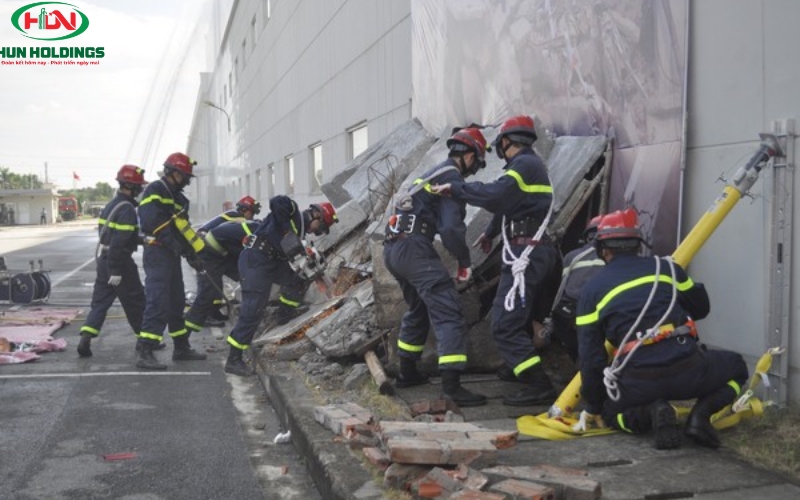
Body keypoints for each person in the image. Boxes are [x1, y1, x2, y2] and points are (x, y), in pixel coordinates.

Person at [576, 208, 749, 449]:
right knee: (737, 368)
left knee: (610, 414)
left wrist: (594, 405)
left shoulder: (591, 291)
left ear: (602, 250)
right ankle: (700, 417)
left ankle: (651, 412)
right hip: (689, 371)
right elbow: (701, 308)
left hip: (639, 382)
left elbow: (590, 358)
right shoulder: (667, 269)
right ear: (639, 244)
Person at [432, 115, 562, 406]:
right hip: (536, 252)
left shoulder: (524, 165)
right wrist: (491, 232)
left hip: (525, 255)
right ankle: (517, 368)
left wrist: (457, 189)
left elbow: (497, 196)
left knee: (503, 324)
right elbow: (511, 204)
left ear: (506, 141)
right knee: (520, 317)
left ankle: (538, 384)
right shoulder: (531, 166)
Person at [385, 127, 491, 407]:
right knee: (449, 312)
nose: (474, 170)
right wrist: (465, 261)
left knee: (419, 307)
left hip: (394, 249)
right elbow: (450, 228)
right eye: (476, 163)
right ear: (468, 155)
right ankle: (452, 387)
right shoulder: (450, 177)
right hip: (415, 249)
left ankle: (407, 372)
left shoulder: (432, 173)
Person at [224, 197, 338, 376]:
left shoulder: (300, 235)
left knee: (298, 279)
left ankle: (284, 315)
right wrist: (287, 232)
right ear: (316, 215)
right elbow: (276, 202)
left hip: (271, 262)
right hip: (255, 259)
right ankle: (234, 358)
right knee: (254, 308)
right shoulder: (292, 212)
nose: (316, 232)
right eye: (320, 228)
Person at [135, 152, 207, 370]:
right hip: (157, 253)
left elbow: (182, 229)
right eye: (184, 176)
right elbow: (151, 221)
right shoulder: (155, 190)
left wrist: (191, 252)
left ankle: (181, 346)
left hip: (171, 254)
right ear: (173, 173)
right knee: (158, 299)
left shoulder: (179, 198)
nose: (186, 180)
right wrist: (172, 243)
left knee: (176, 300)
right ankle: (146, 349)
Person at [77, 165, 150, 357]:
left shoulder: (112, 205)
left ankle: (86, 336)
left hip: (105, 260)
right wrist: (117, 270)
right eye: (138, 186)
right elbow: (120, 241)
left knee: (100, 302)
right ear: (130, 186)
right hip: (120, 262)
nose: (140, 190)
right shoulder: (127, 209)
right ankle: (145, 342)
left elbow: (115, 236)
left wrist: (144, 240)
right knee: (135, 300)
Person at [184, 219, 260, 335]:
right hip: (208, 255)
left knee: (243, 274)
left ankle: (215, 312)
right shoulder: (253, 233)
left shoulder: (252, 228)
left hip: (221, 253)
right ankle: (188, 326)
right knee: (208, 291)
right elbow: (245, 254)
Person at [196, 195, 262, 325]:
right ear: (244, 210)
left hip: (213, 250)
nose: (252, 217)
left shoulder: (233, 216)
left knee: (217, 283)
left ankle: (213, 312)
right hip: (207, 251)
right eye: (252, 213)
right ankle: (204, 316)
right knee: (209, 285)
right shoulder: (237, 218)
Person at [547, 215, 605, 362]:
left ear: (587, 237)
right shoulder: (611, 256)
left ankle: (578, 360)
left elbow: (563, 287)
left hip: (573, 313)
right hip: (603, 311)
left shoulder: (571, 256)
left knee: (561, 321)